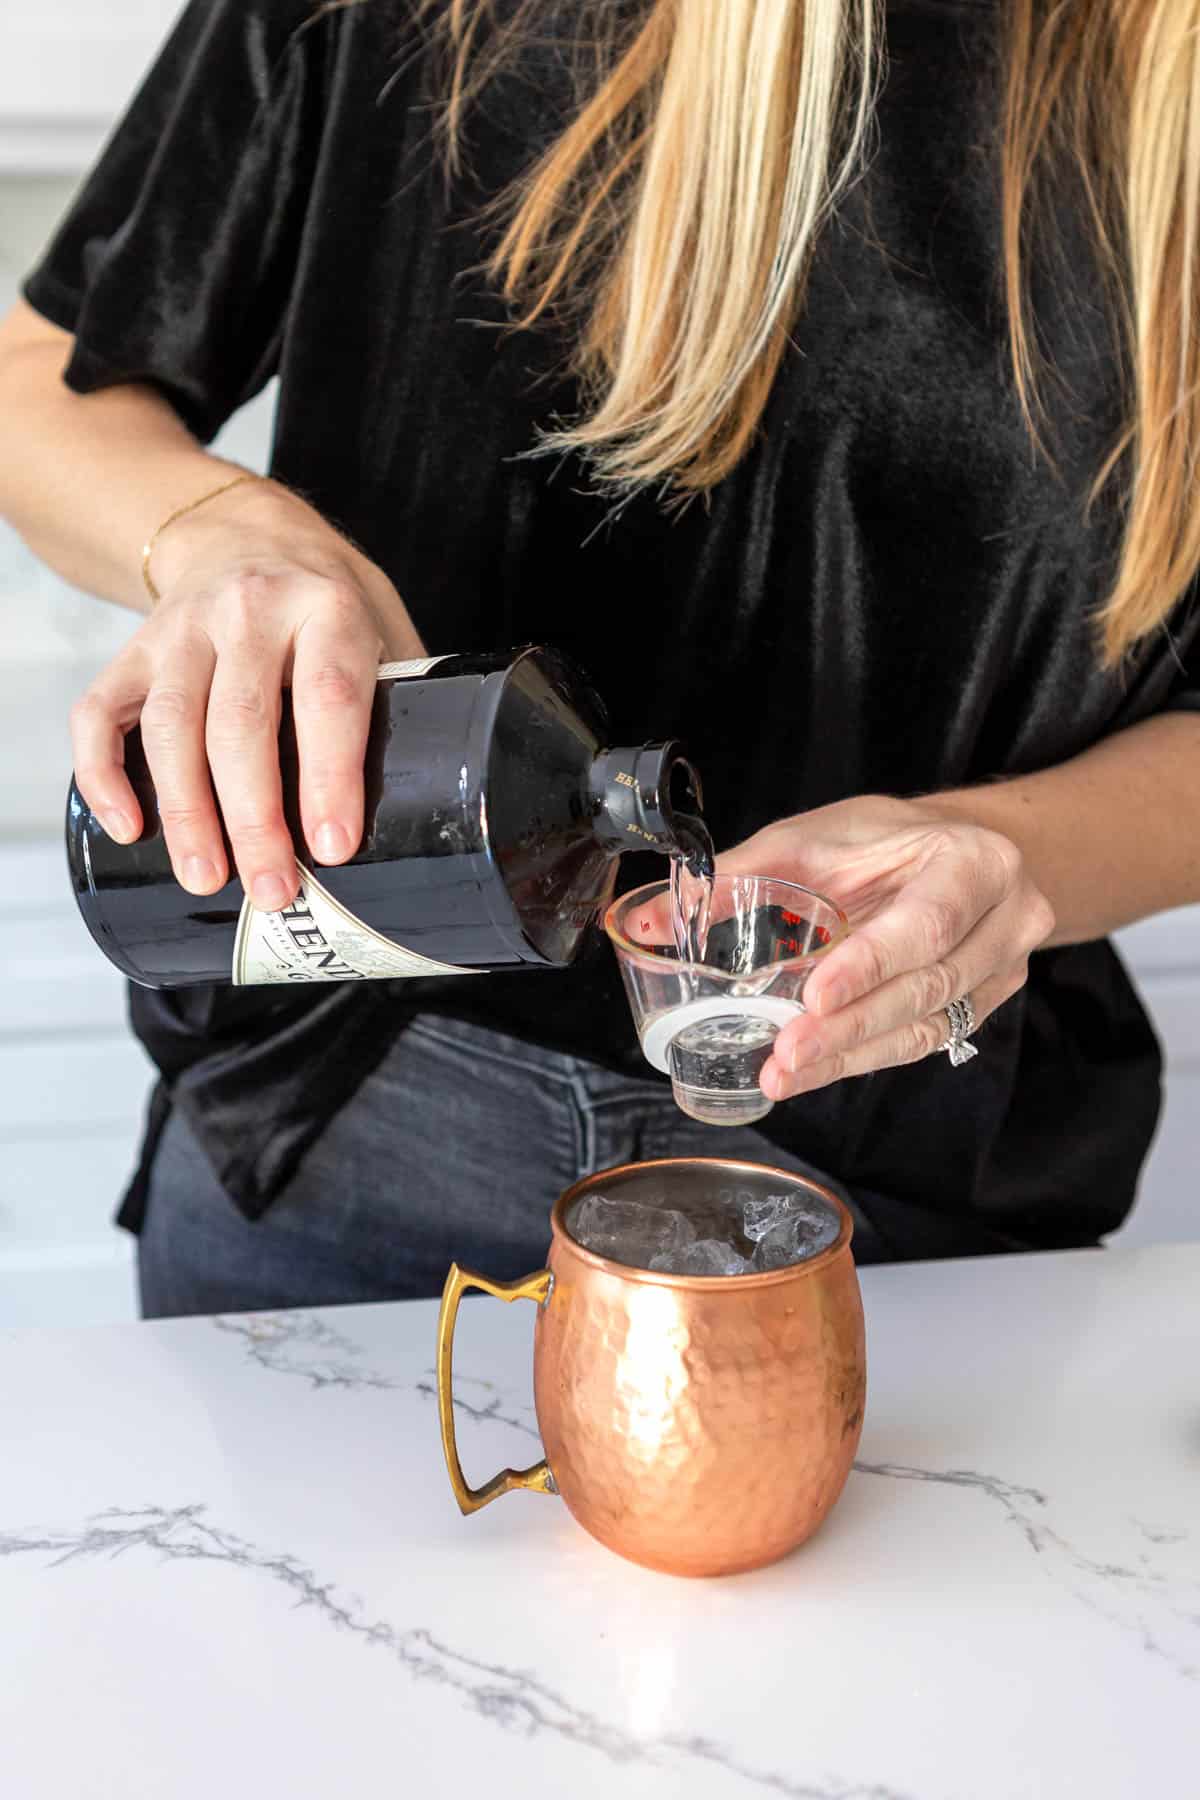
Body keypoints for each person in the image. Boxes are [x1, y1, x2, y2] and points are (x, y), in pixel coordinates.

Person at [0, 0, 1197, 1315]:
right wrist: (218, 533)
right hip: (353, 1124)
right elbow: (39, 379)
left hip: (905, 1192)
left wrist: (1019, 854)